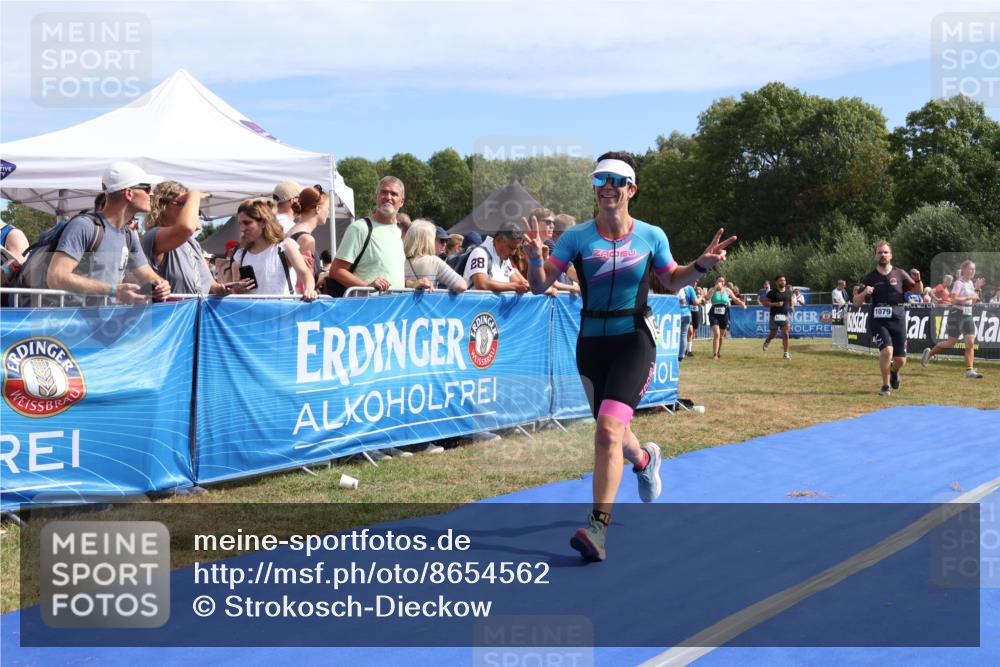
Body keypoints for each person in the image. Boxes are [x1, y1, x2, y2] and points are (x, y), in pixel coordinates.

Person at [523, 151, 736, 561]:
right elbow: (538, 285)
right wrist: (534, 260)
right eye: (600, 179)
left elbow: (673, 281)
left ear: (631, 190)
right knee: (615, 434)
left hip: (634, 339)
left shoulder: (651, 235)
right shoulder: (576, 237)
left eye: (616, 180)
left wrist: (701, 266)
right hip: (590, 344)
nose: (606, 187)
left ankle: (597, 529)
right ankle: (644, 459)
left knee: (606, 429)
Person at [44, 161, 170, 305]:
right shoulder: (84, 226)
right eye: (147, 188)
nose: (152, 194)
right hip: (74, 324)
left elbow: (147, 275)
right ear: (129, 193)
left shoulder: (128, 235)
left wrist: (161, 284)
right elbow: (56, 277)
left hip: (105, 324)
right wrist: (113, 290)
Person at [852, 240, 923, 396]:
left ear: (891, 255)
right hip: (878, 319)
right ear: (875, 256)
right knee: (886, 351)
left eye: (885, 252)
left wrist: (917, 279)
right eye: (879, 252)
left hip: (898, 317)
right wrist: (864, 293)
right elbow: (856, 303)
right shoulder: (870, 278)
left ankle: (894, 370)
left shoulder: (900, 273)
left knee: (900, 360)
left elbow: (918, 293)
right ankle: (885, 386)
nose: (882, 255)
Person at [143, 181, 234, 296]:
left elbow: (208, 283)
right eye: (182, 203)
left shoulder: (192, 243)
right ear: (162, 207)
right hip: (172, 312)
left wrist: (220, 288)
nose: (189, 208)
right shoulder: (153, 235)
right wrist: (194, 194)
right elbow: (186, 228)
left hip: (195, 312)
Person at [329, 176, 417, 294]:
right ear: (376, 197)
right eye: (384, 192)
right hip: (367, 308)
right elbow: (336, 271)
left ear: (401, 202)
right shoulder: (359, 228)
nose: (388, 197)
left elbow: (392, 277)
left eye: (394, 194)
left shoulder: (398, 232)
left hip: (394, 309)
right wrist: (367, 286)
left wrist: (415, 284)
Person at [229, 198, 316, 300]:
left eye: (247, 223)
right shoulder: (240, 255)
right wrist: (239, 290)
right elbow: (237, 293)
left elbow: (306, 275)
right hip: (254, 314)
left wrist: (309, 290)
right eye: (240, 223)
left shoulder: (285, 246)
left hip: (284, 312)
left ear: (263, 222)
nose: (242, 229)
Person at [921, 260, 985, 379]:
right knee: (951, 343)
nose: (972, 271)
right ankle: (929, 353)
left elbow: (974, 300)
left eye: (974, 269)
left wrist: (977, 288)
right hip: (956, 313)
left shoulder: (971, 283)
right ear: (964, 270)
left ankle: (969, 371)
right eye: (970, 269)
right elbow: (954, 300)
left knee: (970, 342)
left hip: (968, 313)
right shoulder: (958, 283)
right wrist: (969, 296)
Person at [461, 221, 530, 294]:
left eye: (516, 249)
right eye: (511, 248)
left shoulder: (504, 258)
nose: (513, 253)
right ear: (498, 240)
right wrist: (514, 287)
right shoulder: (480, 253)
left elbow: (519, 283)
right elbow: (481, 284)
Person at [403, 220, 467, 292]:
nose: (445, 244)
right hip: (429, 302)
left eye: (446, 241)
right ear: (429, 240)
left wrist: (409, 284)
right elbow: (462, 286)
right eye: (441, 240)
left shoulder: (399, 261)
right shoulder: (434, 262)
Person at [286, 187, 329, 293]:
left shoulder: (291, 231)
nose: (328, 212)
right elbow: (304, 285)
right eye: (327, 208)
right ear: (318, 209)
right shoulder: (306, 240)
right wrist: (328, 274)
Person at [707, 275, 746, 359]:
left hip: (724, 313)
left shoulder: (727, 290)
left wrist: (741, 303)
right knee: (716, 334)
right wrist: (714, 289)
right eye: (719, 281)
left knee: (721, 336)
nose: (720, 282)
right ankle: (715, 355)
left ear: (724, 283)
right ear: (716, 282)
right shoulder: (712, 289)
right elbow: (707, 298)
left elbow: (735, 299)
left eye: (722, 281)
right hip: (714, 313)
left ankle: (718, 352)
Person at [761, 274, 794, 360]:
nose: (783, 282)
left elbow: (791, 300)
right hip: (774, 316)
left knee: (786, 334)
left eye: (784, 280)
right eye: (781, 280)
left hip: (785, 316)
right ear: (776, 282)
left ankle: (786, 354)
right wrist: (775, 304)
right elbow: (765, 303)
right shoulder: (772, 293)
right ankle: (767, 341)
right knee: (773, 334)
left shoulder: (788, 292)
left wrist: (792, 306)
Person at [684, 281, 703, 356]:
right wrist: (700, 297)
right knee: (689, 331)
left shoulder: (697, 289)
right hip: (687, 312)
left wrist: (701, 297)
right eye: (693, 280)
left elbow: (702, 301)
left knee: (692, 332)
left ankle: (688, 349)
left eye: (696, 281)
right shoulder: (688, 288)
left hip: (695, 313)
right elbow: (695, 302)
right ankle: (687, 350)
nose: (695, 282)